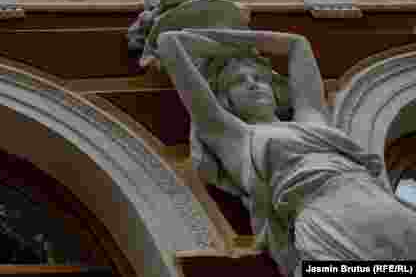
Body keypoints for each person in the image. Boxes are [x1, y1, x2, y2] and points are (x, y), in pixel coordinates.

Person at [152, 23, 416, 276]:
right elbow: (169, 43)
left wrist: (230, 39)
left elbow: (297, 45)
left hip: (375, 201)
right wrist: (216, 46)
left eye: (259, 78)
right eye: (238, 81)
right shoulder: (236, 137)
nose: (253, 84)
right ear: (226, 98)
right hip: (323, 216)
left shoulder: (310, 120)